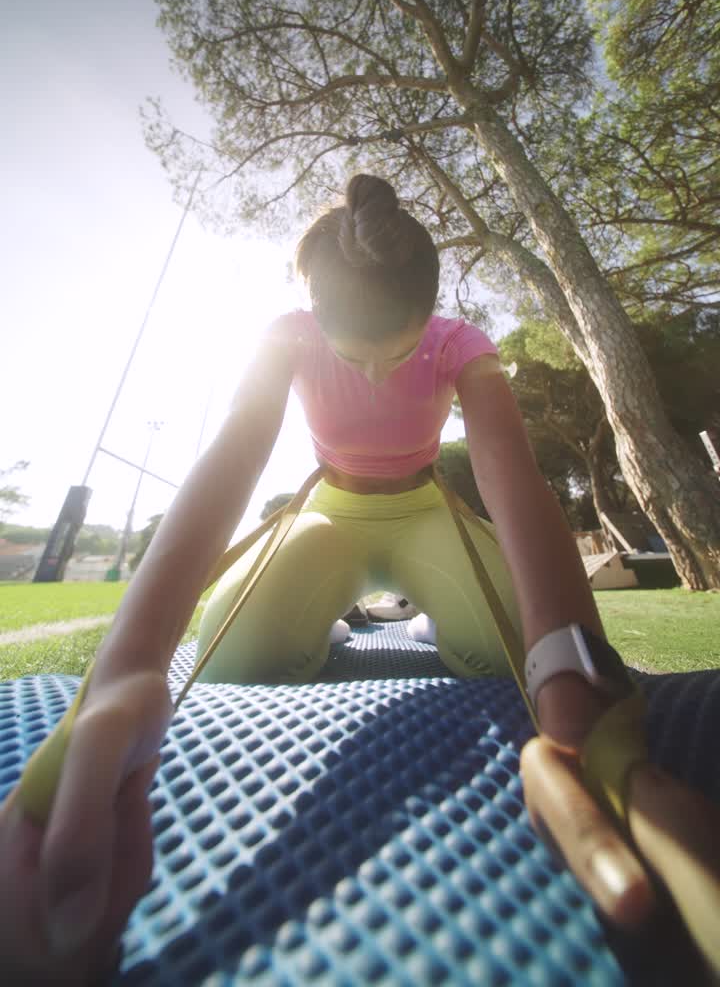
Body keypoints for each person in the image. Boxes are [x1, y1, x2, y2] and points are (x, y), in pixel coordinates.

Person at [2, 174, 719, 984]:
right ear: (318, 321)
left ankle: (419, 623)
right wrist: (126, 667)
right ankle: (340, 621)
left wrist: (570, 662)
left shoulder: (462, 344)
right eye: (354, 357)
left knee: (518, 651)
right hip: (330, 513)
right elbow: (235, 452)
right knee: (236, 658)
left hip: (425, 511)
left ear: (431, 315)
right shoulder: (287, 336)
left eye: (399, 352)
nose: (378, 376)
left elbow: (512, 475)